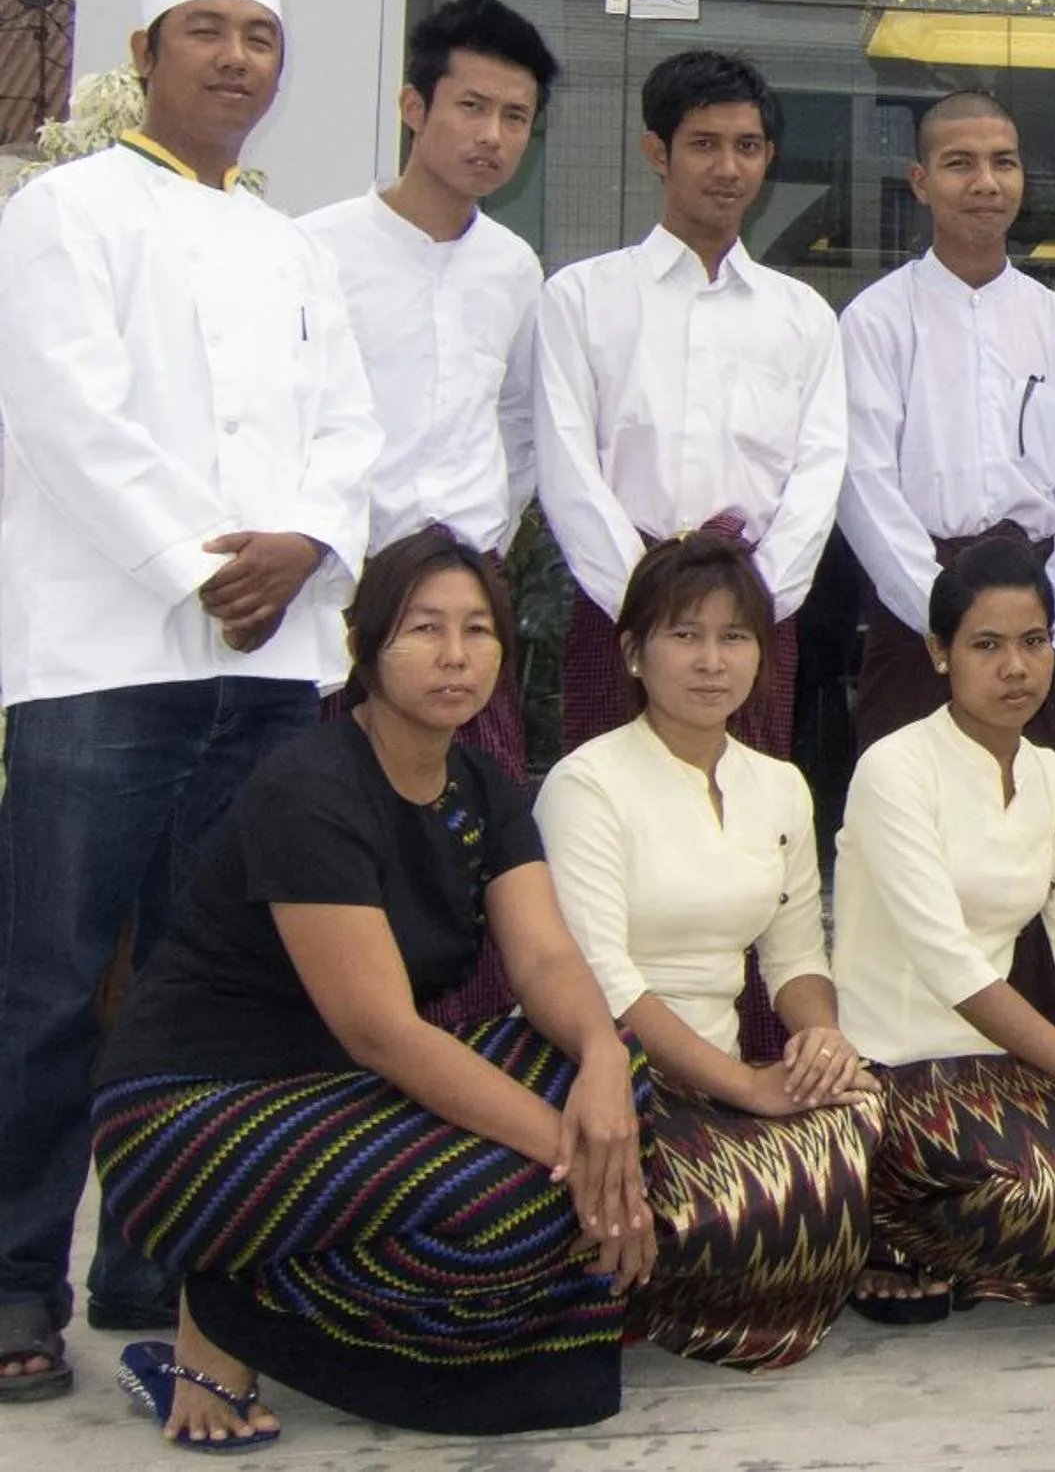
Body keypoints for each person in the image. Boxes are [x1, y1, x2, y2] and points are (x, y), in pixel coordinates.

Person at [0, 0, 378, 1398]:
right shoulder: (60, 216)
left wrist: (306, 549)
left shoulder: (290, 249)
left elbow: (353, 433)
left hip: (273, 667)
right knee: (47, 978)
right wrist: (198, 570)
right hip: (102, 658)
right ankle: (18, 1281)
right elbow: (66, 416)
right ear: (147, 47)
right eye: (209, 30)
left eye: (262, 36)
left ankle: (156, 1254)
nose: (238, 58)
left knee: (209, 981)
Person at [88, 528, 655, 1440]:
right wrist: (574, 1159)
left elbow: (545, 961)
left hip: (343, 1103)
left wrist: (597, 1069)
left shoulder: (482, 783)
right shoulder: (310, 787)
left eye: (477, 631)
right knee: (512, 1196)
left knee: (620, 1078)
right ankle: (224, 1312)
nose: (455, 656)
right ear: (366, 644)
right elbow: (382, 1031)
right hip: (196, 1113)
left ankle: (257, 1284)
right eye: (424, 629)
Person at [534, 534, 882, 1369]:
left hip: (729, 1084)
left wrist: (817, 1043)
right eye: (684, 635)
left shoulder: (779, 785)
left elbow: (795, 958)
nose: (710, 661)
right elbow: (605, 984)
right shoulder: (586, 784)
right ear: (632, 653)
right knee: (754, 1210)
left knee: (864, 1108)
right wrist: (747, 1088)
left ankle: (715, 1260)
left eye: (734, 638)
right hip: (614, 1085)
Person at [833, 540, 1055, 1314]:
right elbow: (953, 966)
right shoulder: (896, 768)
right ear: (938, 653)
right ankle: (885, 1219)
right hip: (894, 1071)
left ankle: (939, 1240)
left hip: (993, 1068)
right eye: (986, 646)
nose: (1015, 668)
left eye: (1033, 642)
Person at [533, 49, 845, 762]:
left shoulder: (801, 315)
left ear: (768, 158)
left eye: (746, 147)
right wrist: (647, 613)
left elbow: (819, 472)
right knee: (608, 819)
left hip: (756, 609)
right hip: (619, 605)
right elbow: (567, 467)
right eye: (704, 145)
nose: (727, 168)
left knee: (746, 821)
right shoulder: (583, 298)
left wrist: (749, 609)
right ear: (657, 152)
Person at [302, 0, 560, 779]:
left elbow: (518, 420)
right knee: (331, 813)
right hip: (344, 579)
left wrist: (486, 539)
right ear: (414, 105)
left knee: (470, 820)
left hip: (466, 583)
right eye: (472, 107)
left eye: (515, 117)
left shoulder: (513, 267)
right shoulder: (316, 250)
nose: (492, 136)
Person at [837, 89, 1055, 769]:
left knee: (1045, 822)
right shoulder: (875, 320)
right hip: (919, 614)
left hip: (1040, 606)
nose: (985, 183)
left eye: (1004, 162)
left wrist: (1053, 622)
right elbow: (861, 481)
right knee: (908, 817)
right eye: (960, 163)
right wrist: (942, 614)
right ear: (920, 181)